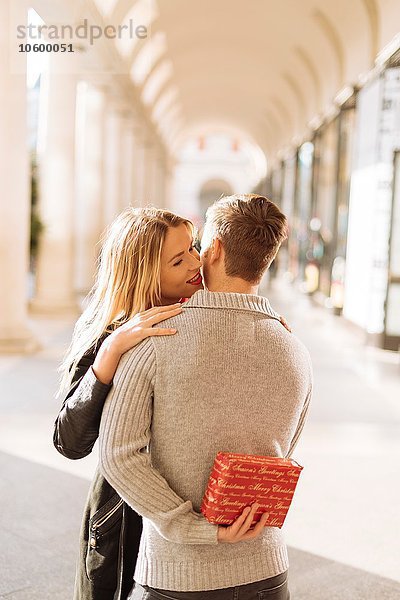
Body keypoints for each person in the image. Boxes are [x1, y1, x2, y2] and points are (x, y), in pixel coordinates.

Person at [98, 194, 313, 600]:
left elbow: (117, 455)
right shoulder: (296, 350)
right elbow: (278, 458)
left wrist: (196, 529)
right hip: (268, 572)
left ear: (214, 249)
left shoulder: (154, 341)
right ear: (266, 260)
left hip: (179, 577)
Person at [54, 206, 204, 600]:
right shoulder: (106, 331)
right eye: (178, 259)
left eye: (193, 248)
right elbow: (69, 442)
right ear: (144, 274)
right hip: (122, 519)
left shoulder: (203, 313)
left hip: (189, 511)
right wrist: (111, 352)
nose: (196, 262)